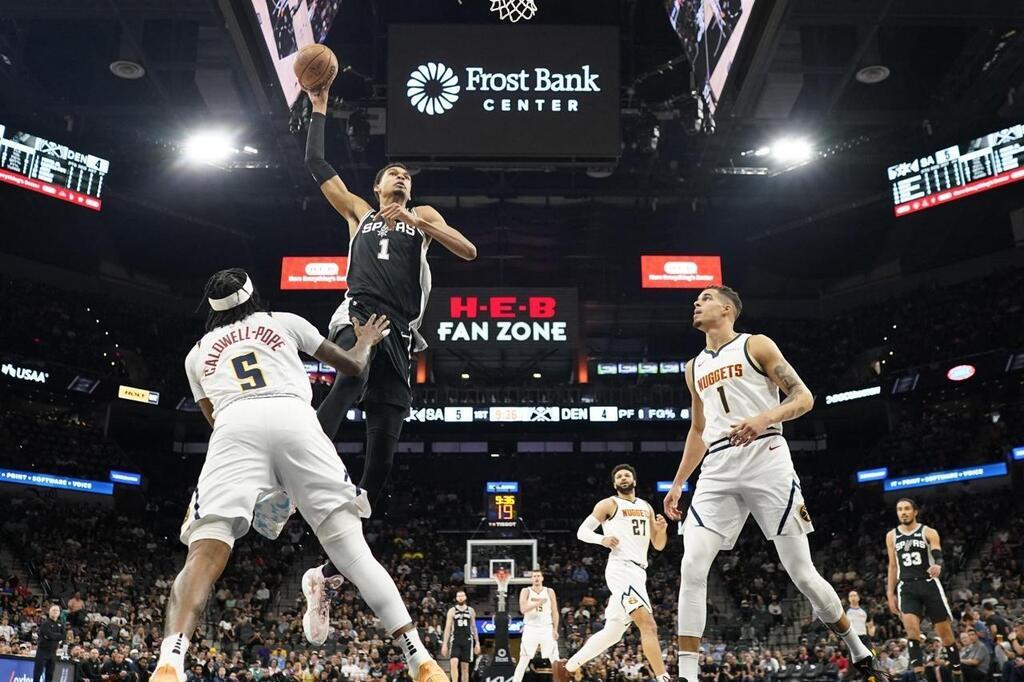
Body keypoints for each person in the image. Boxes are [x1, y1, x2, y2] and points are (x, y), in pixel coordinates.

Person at [149, 268, 447, 682]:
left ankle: (171, 660)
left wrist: (262, 481)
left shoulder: (196, 354)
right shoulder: (283, 322)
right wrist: (363, 341)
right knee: (353, 551)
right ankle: (421, 660)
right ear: (255, 297)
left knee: (204, 552)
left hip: (235, 427)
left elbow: (214, 419)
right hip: (295, 421)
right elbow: (353, 368)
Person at [299, 59, 478, 646]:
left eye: (405, 175)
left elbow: (469, 250)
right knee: (346, 381)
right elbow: (316, 165)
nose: (399, 176)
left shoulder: (421, 218)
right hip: (359, 318)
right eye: (391, 173)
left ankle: (325, 576)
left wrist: (425, 226)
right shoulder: (358, 214)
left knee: (380, 468)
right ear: (376, 187)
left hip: (402, 336)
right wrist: (319, 105)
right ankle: (289, 472)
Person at [663, 285, 890, 682]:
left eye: (705, 298)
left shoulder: (756, 345)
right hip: (716, 463)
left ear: (727, 308)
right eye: (696, 300)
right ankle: (687, 675)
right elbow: (698, 430)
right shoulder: (692, 366)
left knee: (801, 572)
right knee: (692, 565)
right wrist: (679, 483)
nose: (696, 304)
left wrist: (763, 419)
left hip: (766, 455)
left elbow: (804, 398)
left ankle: (858, 649)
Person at [552, 465, 671, 682]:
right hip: (621, 568)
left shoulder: (646, 506)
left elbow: (658, 544)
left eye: (627, 475)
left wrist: (661, 531)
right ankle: (663, 677)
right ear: (614, 484)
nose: (623, 478)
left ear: (634, 480)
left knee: (613, 633)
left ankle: (566, 668)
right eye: (619, 476)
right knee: (648, 624)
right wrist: (602, 539)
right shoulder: (609, 504)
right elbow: (582, 531)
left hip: (639, 571)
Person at [886, 499, 961, 682]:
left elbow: (937, 552)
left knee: (946, 635)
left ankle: (957, 673)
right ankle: (920, 676)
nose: (903, 512)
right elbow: (893, 566)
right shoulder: (891, 536)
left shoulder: (928, 532)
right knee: (912, 631)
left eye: (906, 509)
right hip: (907, 587)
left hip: (929, 584)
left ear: (915, 511)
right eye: (899, 509)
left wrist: (938, 565)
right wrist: (890, 592)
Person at [513, 571, 559, 682]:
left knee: (555, 659)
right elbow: (523, 609)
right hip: (530, 627)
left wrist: (555, 629)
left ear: (542, 578)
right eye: (534, 576)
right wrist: (538, 603)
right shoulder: (525, 591)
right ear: (531, 579)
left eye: (538, 576)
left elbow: (555, 611)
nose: (537, 578)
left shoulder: (549, 591)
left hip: (547, 627)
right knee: (524, 658)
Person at [440, 592, 479, 682]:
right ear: (456, 598)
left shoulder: (470, 610)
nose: (460, 598)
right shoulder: (452, 611)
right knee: (453, 663)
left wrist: (477, 643)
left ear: (465, 597)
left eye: (462, 596)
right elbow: (447, 628)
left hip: (467, 640)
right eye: (459, 596)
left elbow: (474, 627)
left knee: (465, 667)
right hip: (455, 639)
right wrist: (444, 644)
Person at [33, 605, 63, 682]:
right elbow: (48, 634)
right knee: (37, 673)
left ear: (59, 613)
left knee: (50, 674)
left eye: (57, 610)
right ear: (49, 612)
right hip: (42, 651)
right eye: (53, 610)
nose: (55, 612)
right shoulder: (45, 623)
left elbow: (63, 636)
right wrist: (56, 636)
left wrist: (53, 636)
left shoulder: (61, 624)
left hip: (53, 652)